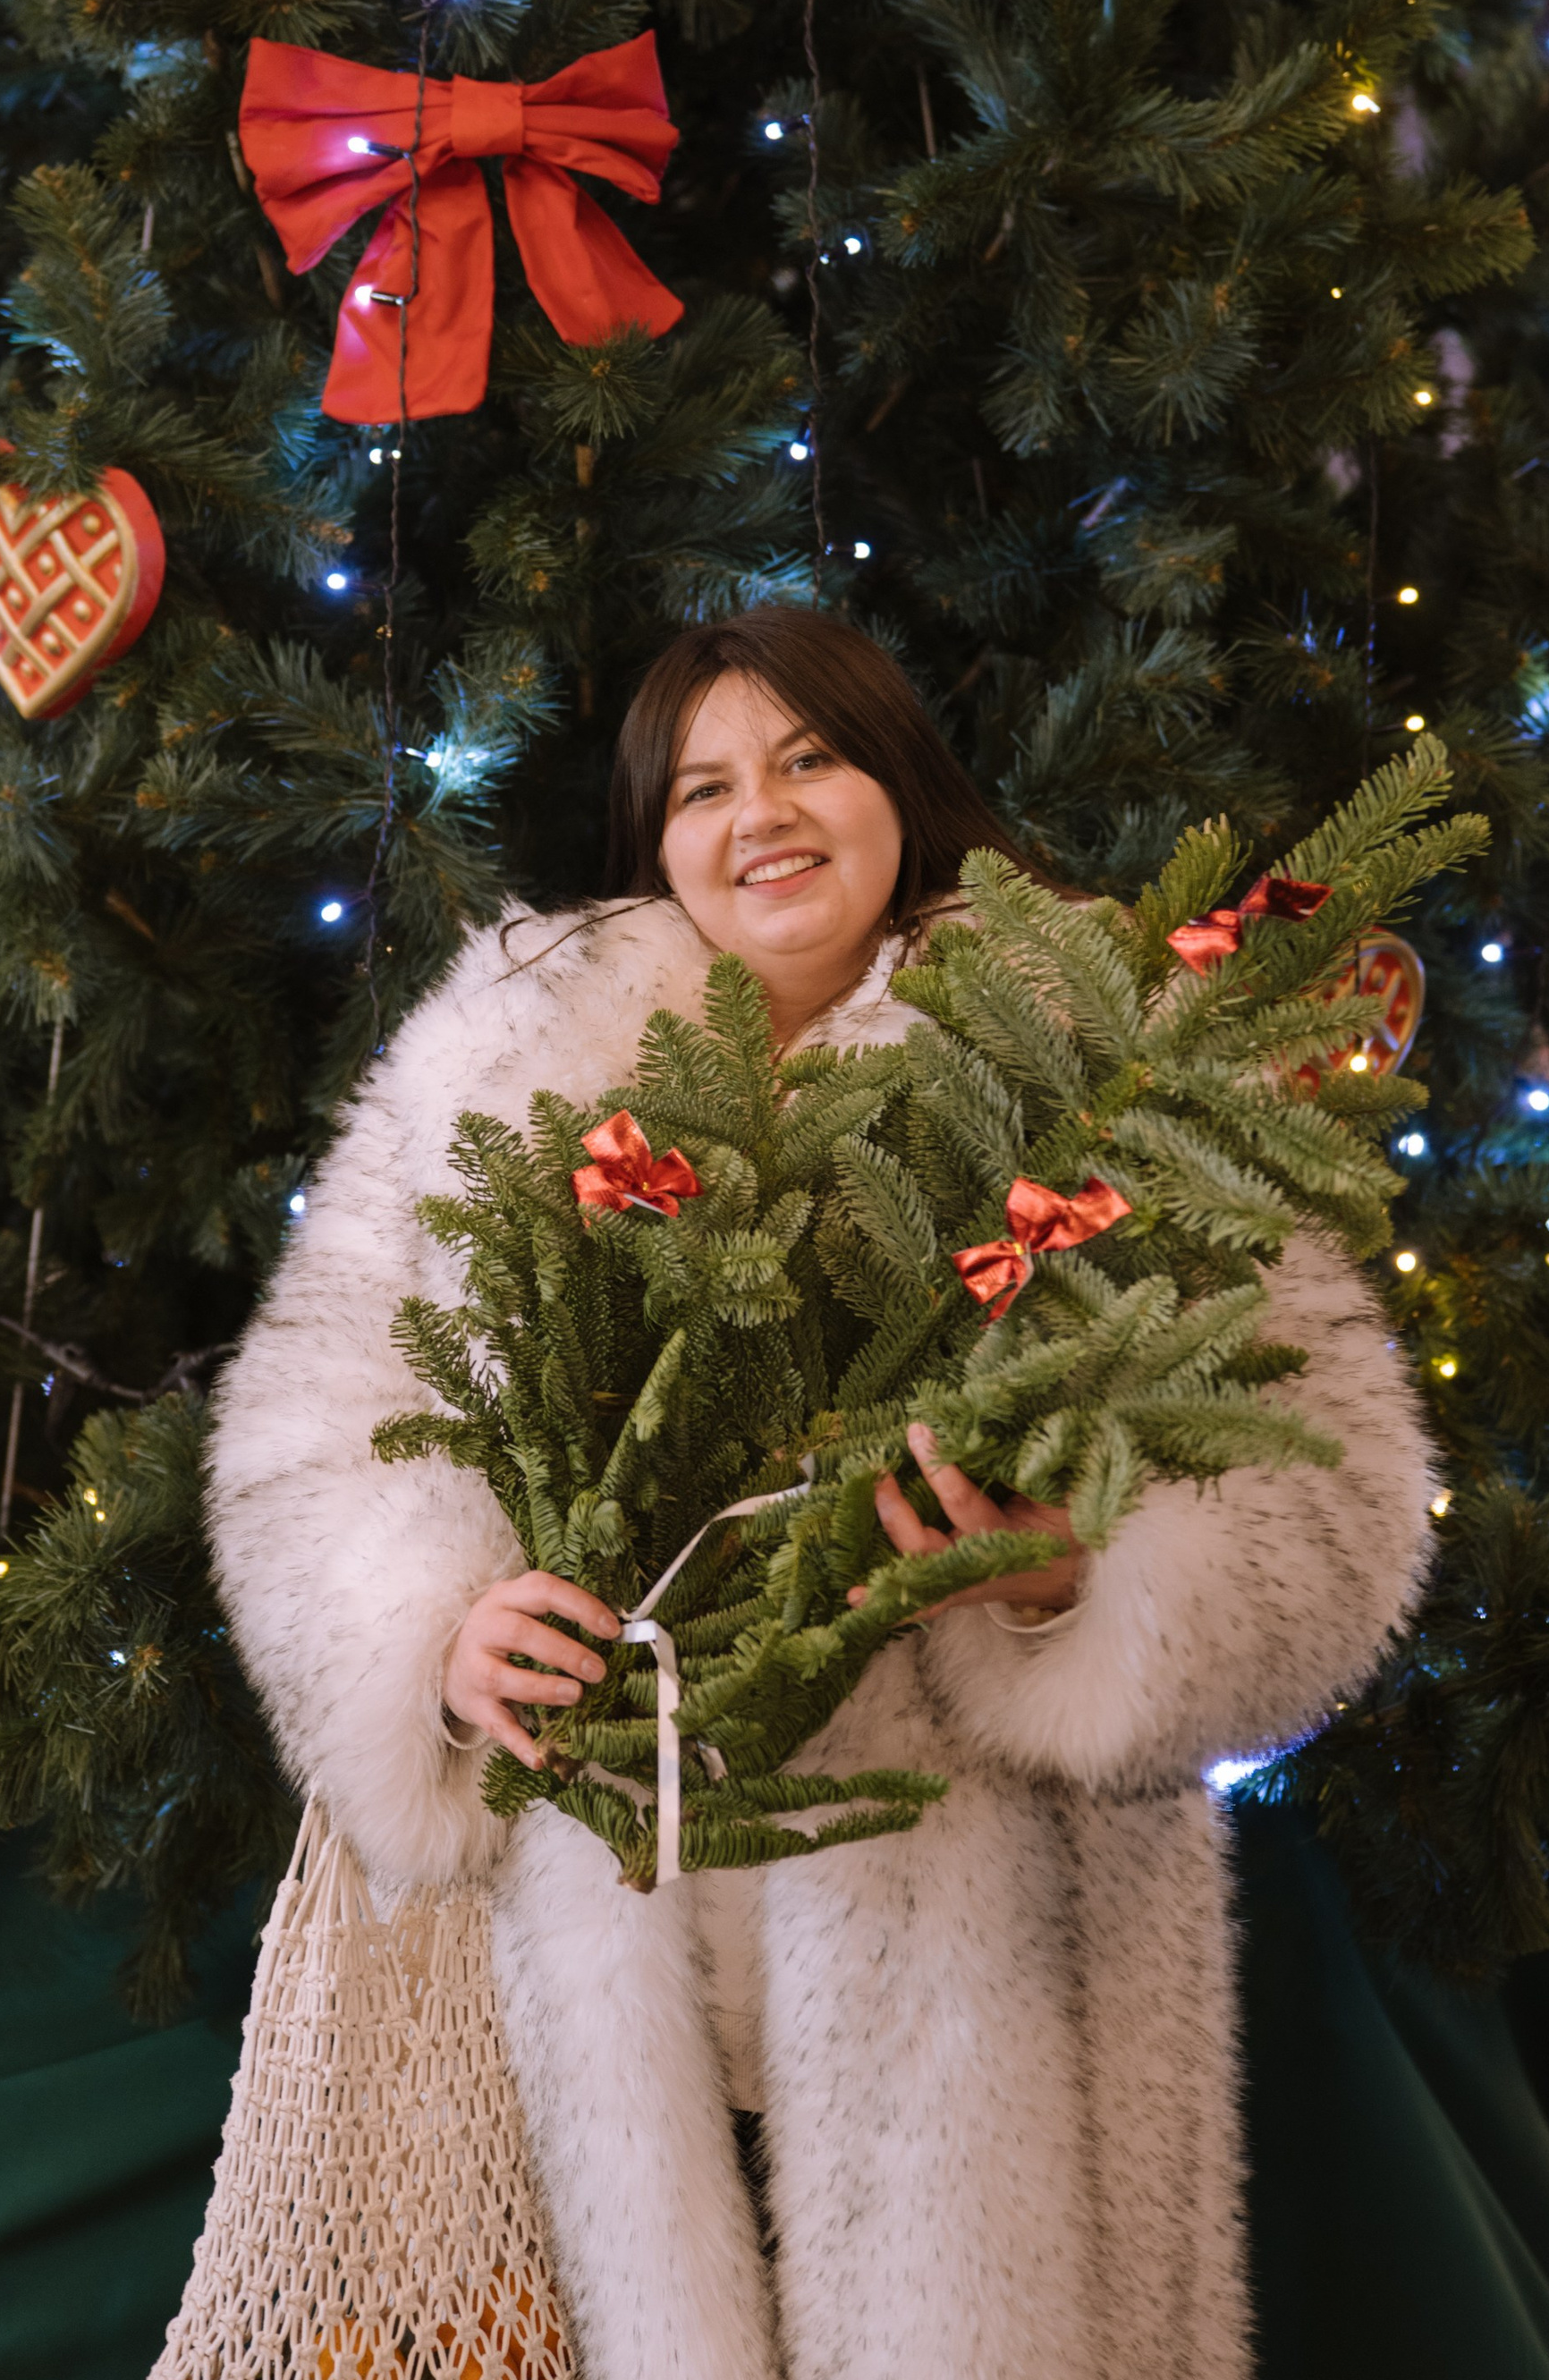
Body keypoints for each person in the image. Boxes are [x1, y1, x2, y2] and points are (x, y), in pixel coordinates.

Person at [206, 606, 1437, 2380]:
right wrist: (434, 1625)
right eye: (700, 785)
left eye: (806, 759)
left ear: (896, 787)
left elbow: (1335, 1488)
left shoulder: (1093, 1060)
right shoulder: (504, 1062)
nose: (756, 814)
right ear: (655, 839)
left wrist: (1065, 1589)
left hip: (982, 1966)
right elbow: (316, 1421)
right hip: (595, 1957)